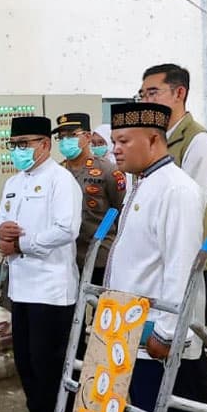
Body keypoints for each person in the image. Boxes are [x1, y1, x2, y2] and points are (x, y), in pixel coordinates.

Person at [105, 102, 207, 412]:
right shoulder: (142, 183)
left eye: (123, 141)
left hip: (164, 333)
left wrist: (169, 332)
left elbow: (181, 265)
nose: (116, 149)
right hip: (138, 326)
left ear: (154, 139)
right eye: (113, 142)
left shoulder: (177, 190)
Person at [0, 116, 82, 412]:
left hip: (52, 288)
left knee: (51, 363)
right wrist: (0, 233)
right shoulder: (14, 183)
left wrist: (21, 244)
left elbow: (66, 229)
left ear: (44, 144)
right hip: (21, 286)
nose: (18, 151)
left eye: (24, 144)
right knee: (26, 359)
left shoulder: (61, 181)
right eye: (13, 145)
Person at [139, 64, 207, 331]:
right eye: (142, 94)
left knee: (188, 322)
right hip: (158, 247)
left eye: (153, 92)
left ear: (179, 93)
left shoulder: (198, 140)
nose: (146, 100)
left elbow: (191, 203)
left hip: (185, 247)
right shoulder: (155, 139)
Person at [54, 112, 126, 286]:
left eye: (71, 135)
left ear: (87, 137)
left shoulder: (108, 171)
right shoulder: (56, 173)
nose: (65, 141)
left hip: (99, 254)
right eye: (61, 137)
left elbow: (120, 210)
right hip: (66, 256)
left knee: (100, 308)